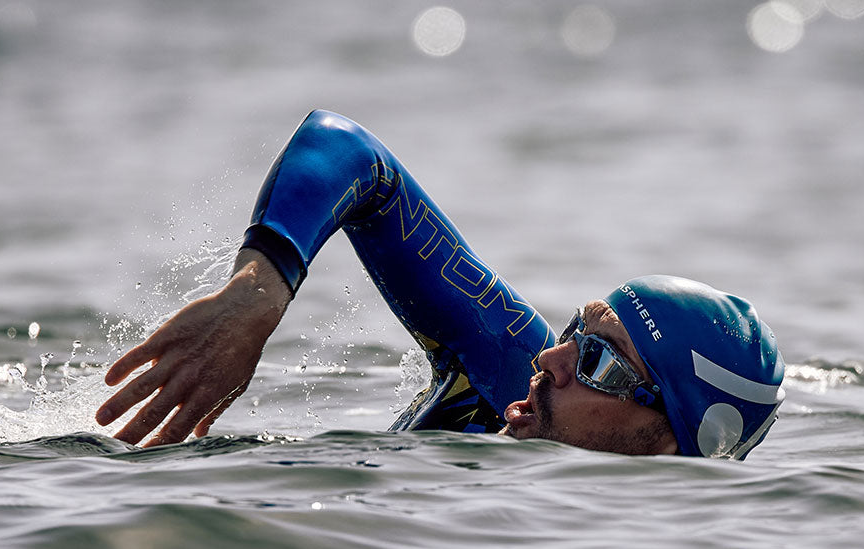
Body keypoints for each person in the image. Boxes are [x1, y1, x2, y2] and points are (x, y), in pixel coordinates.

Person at [95, 110, 786, 459]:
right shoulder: (509, 372)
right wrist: (257, 292)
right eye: (577, 334)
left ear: (670, 445)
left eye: (598, 361)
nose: (551, 359)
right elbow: (347, 149)